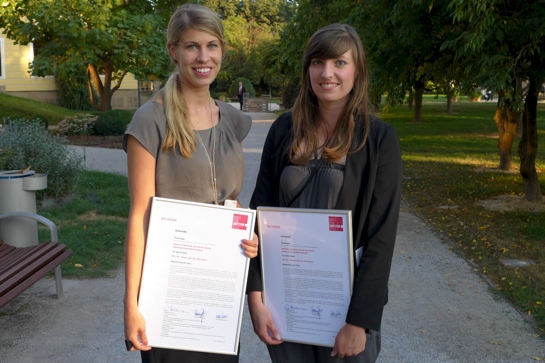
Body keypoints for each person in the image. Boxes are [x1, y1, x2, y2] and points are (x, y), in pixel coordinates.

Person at [246, 23, 403, 362]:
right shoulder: (283, 129)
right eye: (317, 62)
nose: (326, 73)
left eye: (339, 63)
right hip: (284, 301)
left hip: (344, 308)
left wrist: (358, 321)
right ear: (307, 69)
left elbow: (381, 237)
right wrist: (255, 298)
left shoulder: (379, 140)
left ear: (357, 69)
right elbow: (257, 216)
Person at [122, 4, 258, 363]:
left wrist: (247, 234)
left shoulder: (233, 120)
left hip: (219, 290)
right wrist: (132, 304)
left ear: (222, 51)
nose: (203, 57)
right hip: (168, 289)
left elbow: (229, 200)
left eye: (212, 46)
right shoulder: (150, 120)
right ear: (174, 51)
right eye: (192, 46)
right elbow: (140, 216)